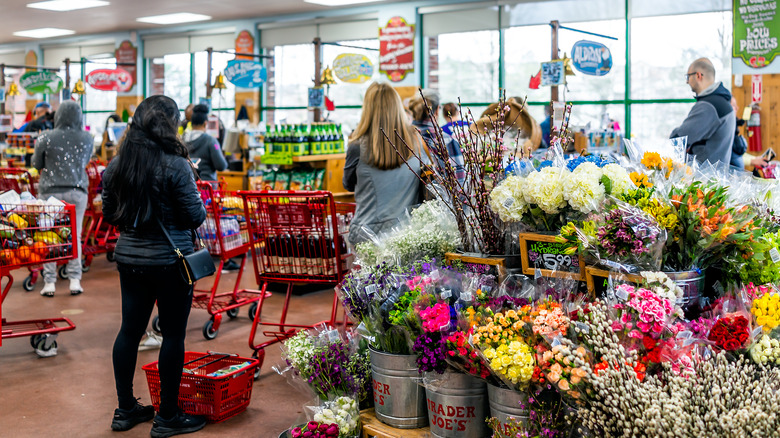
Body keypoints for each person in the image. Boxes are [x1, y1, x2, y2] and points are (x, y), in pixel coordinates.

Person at [103, 95, 207, 437]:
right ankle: (167, 416)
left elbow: (109, 214)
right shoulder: (176, 164)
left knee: (129, 331)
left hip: (129, 259)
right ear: (171, 124)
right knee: (173, 335)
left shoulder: (117, 164)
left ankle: (125, 409)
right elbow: (194, 216)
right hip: (170, 262)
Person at [343, 82, 422, 245]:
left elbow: (348, 184)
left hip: (368, 234)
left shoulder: (357, 147)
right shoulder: (416, 141)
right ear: (398, 107)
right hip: (409, 232)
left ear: (367, 109)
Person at [32, 100, 92, 298]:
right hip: (77, 191)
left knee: (48, 235)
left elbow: (36, 163)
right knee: (75, 235)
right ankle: (75, 280)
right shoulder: (88, 138)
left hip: (50, 192)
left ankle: (49, 282)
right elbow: (85, 161)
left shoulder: (45, 138)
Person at [670, 58, 735, 165]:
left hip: (703, 177)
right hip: (715, 175)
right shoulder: (722, 102)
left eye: (688, 76)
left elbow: (679, 139)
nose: (687, 81)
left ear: (698, 76)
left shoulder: (708, 106)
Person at [408, 91, 465, 184]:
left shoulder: (398, 137)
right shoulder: (446, 141)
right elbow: (459, 182)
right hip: (434, 196)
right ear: (437, 110)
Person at [183, 104, 228, 182]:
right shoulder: (211, 141)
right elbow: (221, 166)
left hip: (187, 185)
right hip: (207, 187)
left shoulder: (182, 139)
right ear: (205, 123)